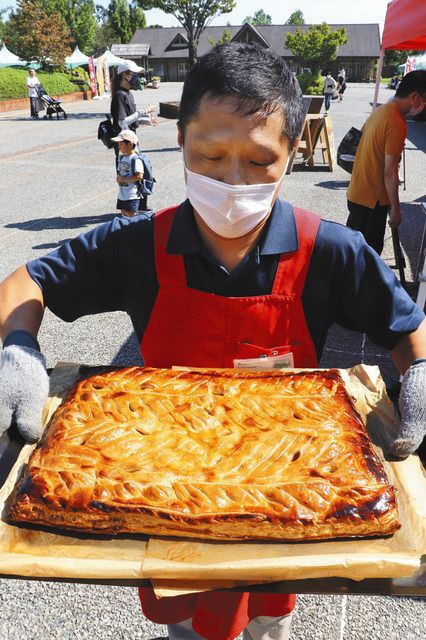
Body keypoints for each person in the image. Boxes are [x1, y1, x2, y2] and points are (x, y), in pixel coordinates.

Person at [0, 43, 425, 640]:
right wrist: (18, 348)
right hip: (149, 485)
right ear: (179, 144)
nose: (232, 180)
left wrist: (421, 371)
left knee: (266, 625)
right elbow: (24, 282)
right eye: (209, 155)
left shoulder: (330, 252)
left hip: (290, 488)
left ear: (294, 151)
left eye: (258, 161)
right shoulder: (138, 246)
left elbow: (405, 326)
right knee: (183, 627)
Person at [346, 70, 426, 256]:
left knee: (354, 250)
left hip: (359, 191)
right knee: (367, 255)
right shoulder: (396, 122)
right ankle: (358, 285)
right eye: (424, 100)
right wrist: (396, 208)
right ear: (414, 96)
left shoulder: (382, 110)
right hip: (372, 199)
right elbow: (390, 171)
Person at [111, 129, 143, 218]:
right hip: (122, 194)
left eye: (121, 144)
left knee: (131, 215)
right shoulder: (122, 158)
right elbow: (120, 172)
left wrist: (124, 179)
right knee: (124, 213)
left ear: (130, 144)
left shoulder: (135, 159)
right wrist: (118, 178)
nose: (118, 146)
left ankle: (133, 231)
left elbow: (139, 176)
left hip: (132, 194)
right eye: (118, 144)